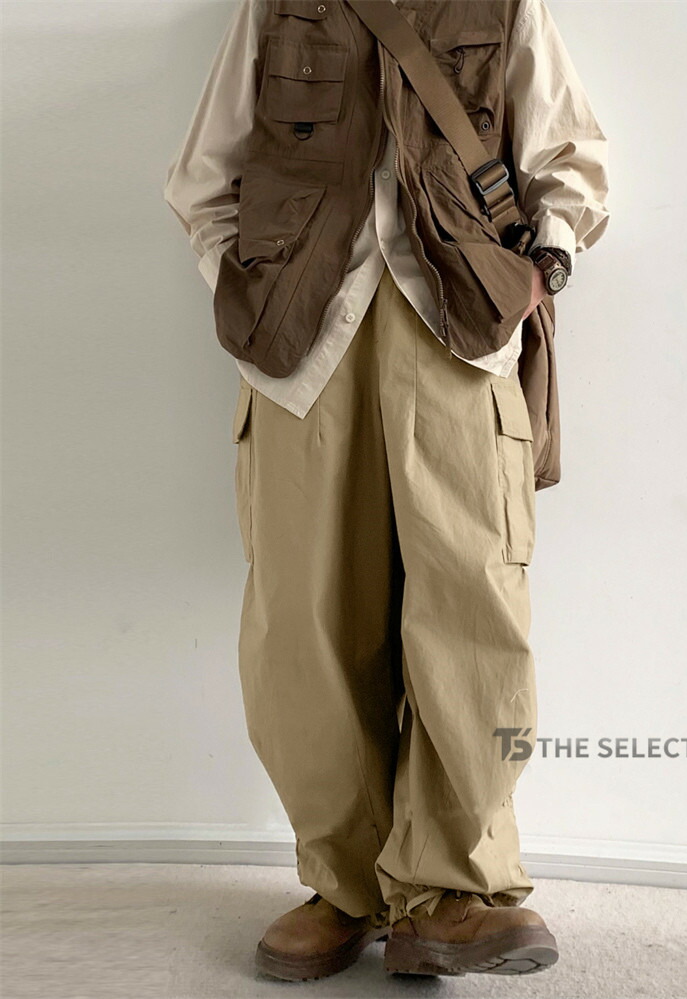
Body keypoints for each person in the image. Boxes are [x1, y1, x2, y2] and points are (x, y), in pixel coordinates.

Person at [164, 0, 610, 982]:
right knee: (303, 626)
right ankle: (345, 886)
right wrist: (247, 286)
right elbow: (202, 174)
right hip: (299, 351)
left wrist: (540, 269)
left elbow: (571, 158)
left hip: (460, 334)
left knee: (472, 615)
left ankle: (452, 891)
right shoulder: (275, 5)